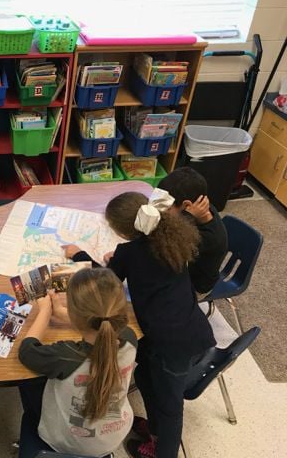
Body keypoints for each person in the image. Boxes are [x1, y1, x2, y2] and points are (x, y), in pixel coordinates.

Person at [63, 190, 216, 458]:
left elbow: (104, 282)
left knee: (170, 408)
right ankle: (155, 431)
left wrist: (79, 255)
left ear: (122, 231)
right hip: (187, 330)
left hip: (173, 346)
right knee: (145, 377)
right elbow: (145, 267)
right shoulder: (171, 238)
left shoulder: (129, 252)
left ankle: (163, 451)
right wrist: (120, 261)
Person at [17, 268, 137, 458]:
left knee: (27, 384)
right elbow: (100, 327)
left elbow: (27, 350)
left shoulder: (65, 356)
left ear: (76, 316)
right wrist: (65, 314)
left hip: (67, 443)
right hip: (114, 434)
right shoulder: (130, 339)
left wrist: (46, 311)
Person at [158, 167, 228, 296]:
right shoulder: (199, 207)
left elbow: (165, 246)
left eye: (167, 207)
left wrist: (187, 217)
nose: (162, 210)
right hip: (184, 264)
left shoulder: (209, 238)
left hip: (195, 285)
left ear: (187, 206)